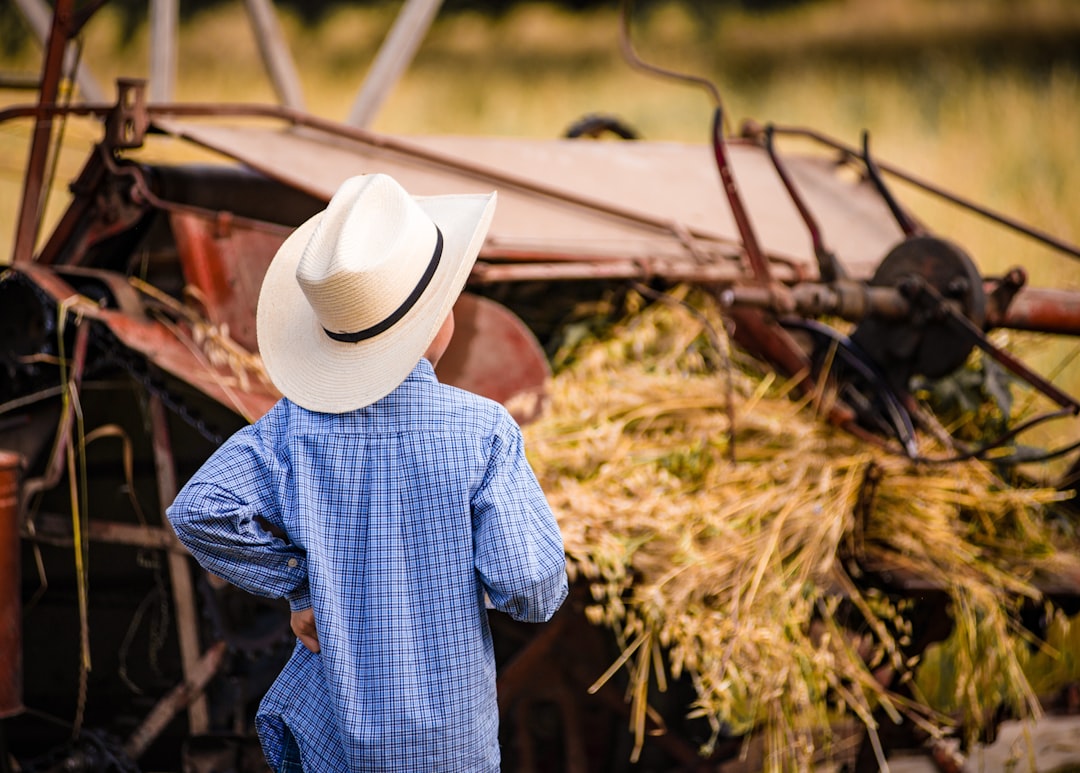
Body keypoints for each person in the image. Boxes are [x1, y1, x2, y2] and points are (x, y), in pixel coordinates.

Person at [167, 173, 569, 772]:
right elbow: (530, 585)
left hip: (338, 741)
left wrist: (304, 587)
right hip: (451, 747)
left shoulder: (290, 430)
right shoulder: (482, 431)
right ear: (438, 318)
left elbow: (199, 512)